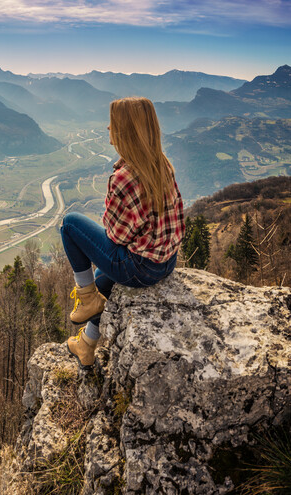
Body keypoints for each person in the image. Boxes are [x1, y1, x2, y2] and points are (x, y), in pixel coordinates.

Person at [62, 96, 185, 369]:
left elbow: (116, 237)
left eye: (113, 123)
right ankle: (87, 343)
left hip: (140, 268)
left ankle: (87, 297)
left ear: (126, 131)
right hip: (165, 263)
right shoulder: (162, 164)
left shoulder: (123, 178)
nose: (108, 128)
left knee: (70, 224)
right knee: (101, 276)